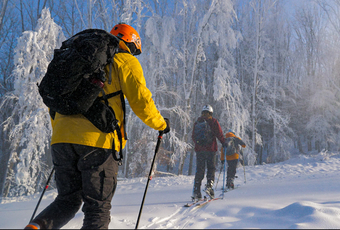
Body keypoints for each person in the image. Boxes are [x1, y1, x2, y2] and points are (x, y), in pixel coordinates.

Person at [25, 23, 170, 229]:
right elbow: (141, 102)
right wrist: (161, 124)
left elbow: (55, 104)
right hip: (99, 142)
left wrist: (64, 136)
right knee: (97, 208)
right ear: (131, 43)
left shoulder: (77, 61)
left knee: (66, 201)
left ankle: (35, 227)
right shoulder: (124, 61)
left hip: (61, 140)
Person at [191, 105, 225, 200]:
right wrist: (223, 142)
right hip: (211, 150)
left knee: (200, 170)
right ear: (211, 113)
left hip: (200, 151)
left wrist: (199, 144)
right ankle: (209, 187)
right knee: (211, 169)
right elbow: (219, 134)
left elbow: (193, 136)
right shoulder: (213, 122)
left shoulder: (197, 122)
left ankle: (196, 191)